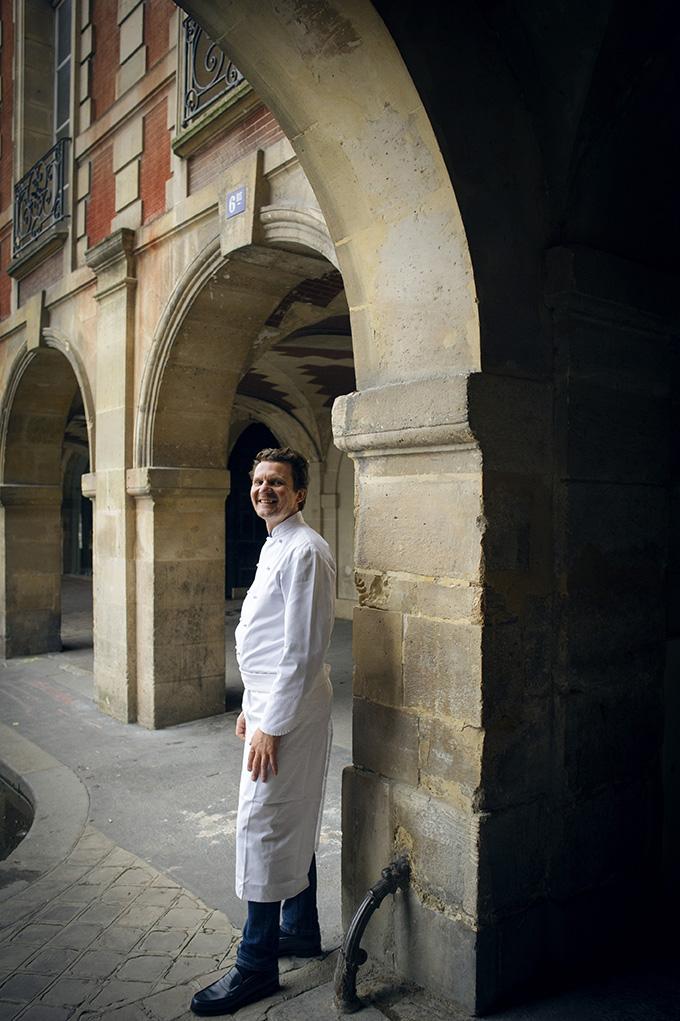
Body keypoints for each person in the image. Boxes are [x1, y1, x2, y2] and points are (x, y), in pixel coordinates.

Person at [191, 447, 336, 1016]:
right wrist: (251, 708)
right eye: (258, 482)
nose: (264, 490)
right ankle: (298, 929)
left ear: (299, 493)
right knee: (290, 815)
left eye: (277, 482)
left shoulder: (306, 550)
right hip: (276, 704)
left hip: (293, 711)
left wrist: (269, 725)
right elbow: (268, 641)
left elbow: (302, 650)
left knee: (264, 822)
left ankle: (255, 966)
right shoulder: (279, 542)